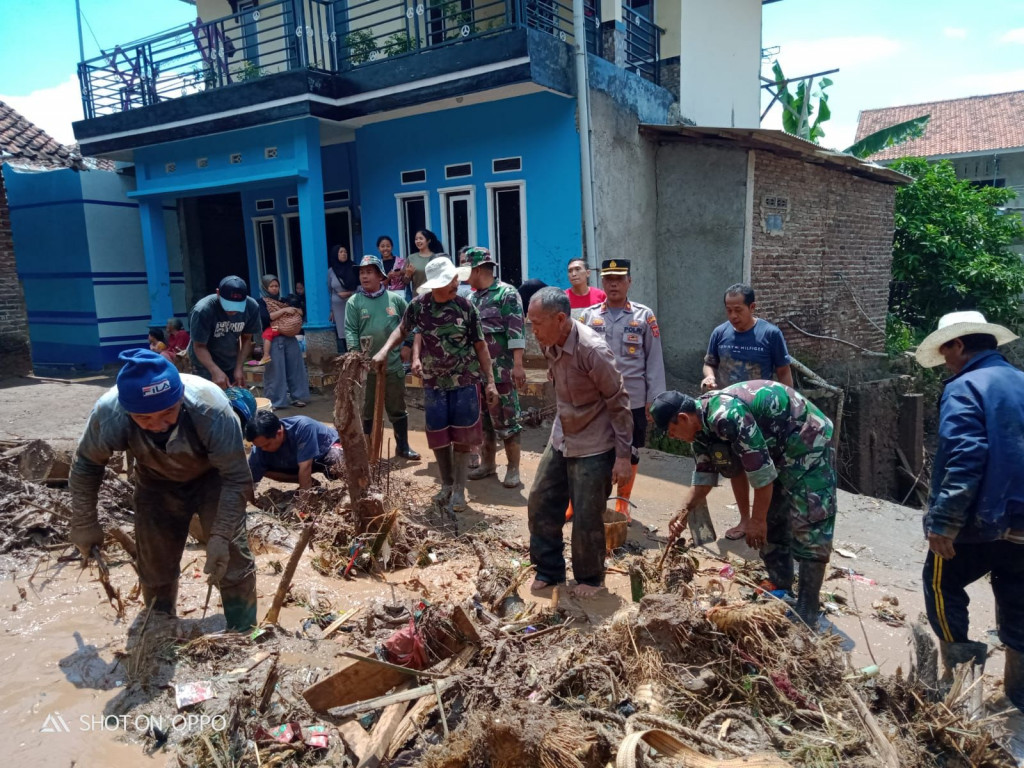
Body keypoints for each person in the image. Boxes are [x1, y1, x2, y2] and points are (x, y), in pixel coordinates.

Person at [68, 349, 257, 631]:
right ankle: (160, 632)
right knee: (156, 563)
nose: (158, 425)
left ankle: (244, 633)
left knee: (231, 558)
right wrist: (84, 522)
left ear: (180, 399)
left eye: (168, 412)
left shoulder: (211, 409)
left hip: (215, 479)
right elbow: (86, 465)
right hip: (155, 482)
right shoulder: (110, 414)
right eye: (144, 418)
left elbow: (237, 478)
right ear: (128, 411)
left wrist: (220, 535)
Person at [652, 382, 836, 625]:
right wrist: (683, 511)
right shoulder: (700, 432)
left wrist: (755, 520)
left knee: (810, 518)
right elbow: (704, 478)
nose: (672, 437)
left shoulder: (727, 416)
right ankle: (780, 584)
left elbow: (762, 476)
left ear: (683, 418)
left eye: (671, 431)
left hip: (806, 436)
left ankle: (808, 607)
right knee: (774, 517)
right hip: (776, 446)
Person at [914, 310, 1024, 709]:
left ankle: (960, 678)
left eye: (946, 352)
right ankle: (1017, 697)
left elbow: (965, 455)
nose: (946, 362)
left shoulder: (965, 387)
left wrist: (945, 520)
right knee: (1018, 596)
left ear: (959, 345)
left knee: (940, 583)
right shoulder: (1021, 380)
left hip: (980, 519)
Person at [526, 287, 633, 598]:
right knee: (540, 500)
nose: (533, 331)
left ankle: (590, 578)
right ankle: (549, 570)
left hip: (595, 442)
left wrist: (623, 456)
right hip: (563, 434)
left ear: (560, 319)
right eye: (530, 323)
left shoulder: (592, 350)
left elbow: (619, 402)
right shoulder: (548, 342)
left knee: (587, 514)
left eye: (537, 324)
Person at [373, 257, 499, 515]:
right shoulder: (419, 306)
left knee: (463, 438)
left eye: (455, 278)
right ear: (436, 285)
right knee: (439, 436)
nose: (456, 283)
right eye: (450, 280)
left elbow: (481, 346)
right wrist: (384, 350)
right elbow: (402, 329)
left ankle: (459, 490)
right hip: (434, 383)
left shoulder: (466, 307)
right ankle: (446, 485)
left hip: (464, 381)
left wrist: (490, 382)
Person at [702, 283, 794, 541]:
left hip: (763, 414)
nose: (733, 316)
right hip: (728, 414)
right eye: (728, 310)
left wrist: (789, 407)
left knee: (765, 468)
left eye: (738, 310)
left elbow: (784, 372)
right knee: (736, 466)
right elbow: (709, 364)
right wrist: (709, 378)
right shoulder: (720, 333)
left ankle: (766, 521)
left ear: (752, 307)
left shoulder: (770, 334)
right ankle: (744, 519)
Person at [579, 259, 665, 518]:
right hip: (596, 397)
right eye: (608, 279)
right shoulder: (588, 316)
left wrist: (654, 398)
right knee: (590, 448)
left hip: (632, 399)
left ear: (629, 281)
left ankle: (622, 503)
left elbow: (654, 359)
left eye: (619, 279)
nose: (613, 284)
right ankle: (585, 501)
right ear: (602, 282)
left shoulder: (644, 316)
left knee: (631, 450)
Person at [345, 254, 420, 460]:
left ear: (380, 276)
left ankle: (402, 446)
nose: (364, 276)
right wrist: (356, 356)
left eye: (369, 272)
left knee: (397, 407)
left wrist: (407, 345)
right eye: (362, 272)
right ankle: (369, 450)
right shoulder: (354, 302)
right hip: (366, 367)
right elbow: (351, 331)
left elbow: (410, 324)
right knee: (367, 410)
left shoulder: (395, 300)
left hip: (393, 364)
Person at [465, 247, 527, 488]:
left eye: (467, 269)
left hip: (502, 371)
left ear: (478, 269)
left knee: (507, 420)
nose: (465, 274)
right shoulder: (472, 299)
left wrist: (518, 365)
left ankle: (513, 469)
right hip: (477, 373)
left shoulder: (506, 294)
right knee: (483, 421)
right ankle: (488, 464)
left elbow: (516, 331)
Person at [188, 275, 262, 389]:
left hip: (230, 362)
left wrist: (239, 367)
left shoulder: (251, 307)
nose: (233, 310)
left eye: (237, 306)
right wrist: (214, 370)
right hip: (204, 365)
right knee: (211, 397)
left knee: (233, 396)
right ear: (218, 293)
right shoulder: (203, 310)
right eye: (228, 304)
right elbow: (199, 346)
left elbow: (246, 339)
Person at [245, 410, 343, 491]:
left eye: (267, 445)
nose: (263, 449)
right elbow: (248, 480)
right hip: (296, 463)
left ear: (279, 433)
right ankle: (310, 482)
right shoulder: (259, 447)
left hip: (323, 454)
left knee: (335, 458)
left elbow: (305, 467)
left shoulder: (304, 427)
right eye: (259, 446)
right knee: (261, 469)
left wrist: (303, 502)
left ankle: (351, 488)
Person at [256, 275, 310, 409]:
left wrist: (291, 311)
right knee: (275, 371)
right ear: (265, 288)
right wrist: (284, 310)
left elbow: (300, 311)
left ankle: (298, 397)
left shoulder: (284, 300)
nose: (274, 289)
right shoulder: (261, 302)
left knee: (296, 368)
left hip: (290, 336)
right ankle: (275, 401)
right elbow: (266, 318)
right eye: (271, 286)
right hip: (273, 338)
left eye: (276, 286)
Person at [328, 244, 359, 354]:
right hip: (338, 307)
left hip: (353, 303)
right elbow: (330, 290)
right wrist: (331, 310)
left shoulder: (354, 267)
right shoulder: (331, 271)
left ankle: (357, 354)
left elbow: (361, 286)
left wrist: (350, 293)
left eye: (345, 252)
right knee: (343, 333)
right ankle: (349, 356)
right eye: (341, 252)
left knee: (355, 329)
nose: (344, 254)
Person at [404, 229, 444, 296]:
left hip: (434, 296)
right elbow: (405, 282)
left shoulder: (436, 258)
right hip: (418, 297)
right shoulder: (411, 258)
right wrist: (408, 274)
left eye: (421, 238)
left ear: (428, 240)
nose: (418, 241)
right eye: (416, 239)